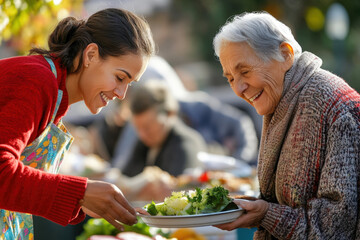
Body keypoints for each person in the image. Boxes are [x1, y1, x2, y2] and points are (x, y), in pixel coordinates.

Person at [0, 7, 155, 239]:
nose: (122, 94)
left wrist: (83, 202)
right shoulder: (36, 81)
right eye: (120, 78)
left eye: (129, 84)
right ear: (91, 55)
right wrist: (80, 192)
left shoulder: (55, 93)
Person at [212, 11, 360, 239]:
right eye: (230, 78)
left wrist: (266, 214)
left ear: (285, 54)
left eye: (245, 71)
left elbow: (335, 228)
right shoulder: (282, 98)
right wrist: (256, 208)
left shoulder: (334, 106)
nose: (239, 88)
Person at [121, 80, 207, 177]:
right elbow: (126, 176)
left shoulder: (185, 144)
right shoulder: (145, 143)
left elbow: (177, 187)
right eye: (137, 128)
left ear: (170, 113)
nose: (142, 134)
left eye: (148, 127)